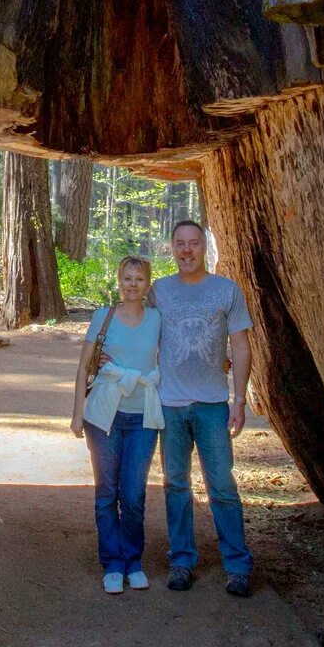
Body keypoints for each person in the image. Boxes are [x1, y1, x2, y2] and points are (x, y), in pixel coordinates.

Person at [154, 220, 255, 596]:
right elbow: (138, 329)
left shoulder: (226, 290)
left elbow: (241, 347)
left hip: (212, 405)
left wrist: (240, 399)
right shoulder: (158, 291)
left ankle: (238, 565)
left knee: (222, 486)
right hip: (170, 405)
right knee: (175, 485)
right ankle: (181, 561)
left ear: (203, 248)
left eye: (193, 243)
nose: (186, 250)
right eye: (179, 244)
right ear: (171, 248)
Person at [70, 255, 163, 593]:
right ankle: (112, 562)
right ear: (119, 281)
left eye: (139, 279)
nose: (132, 285)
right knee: (107, 490)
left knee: (134, 492)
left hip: (142, 416)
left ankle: (133, 559)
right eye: (127, 278)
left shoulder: (156, 319)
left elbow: (171, 357)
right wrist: (76, 413)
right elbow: (84, 367)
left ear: (147, 284)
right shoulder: (103, 316)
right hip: (103, 415)